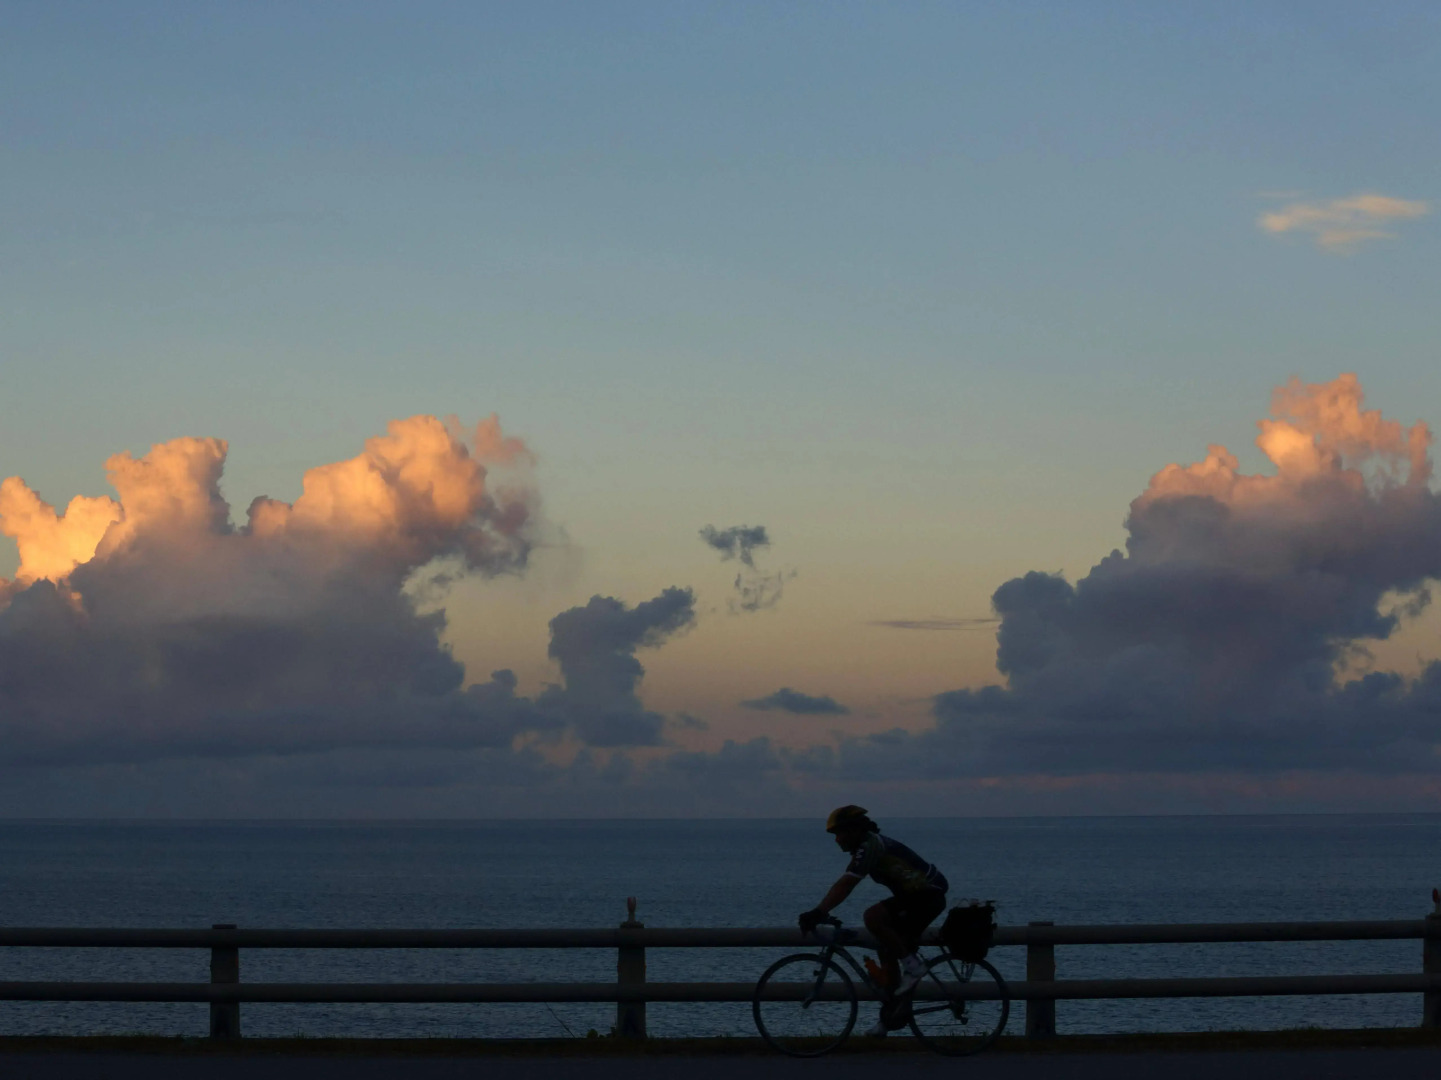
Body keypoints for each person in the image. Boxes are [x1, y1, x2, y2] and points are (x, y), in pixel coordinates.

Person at [799, 805, 949, 1036]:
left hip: (928, 895)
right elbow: (844, 881)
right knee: (886, 951)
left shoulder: (870, 846)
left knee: (873, 916)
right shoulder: (866, 846)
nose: (837, 840)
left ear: (854, 831)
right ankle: (890, 1019)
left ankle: (914, 966)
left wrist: (818, 912)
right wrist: (820, 910)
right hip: (916, 897)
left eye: (840, 833)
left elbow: (847, 884)